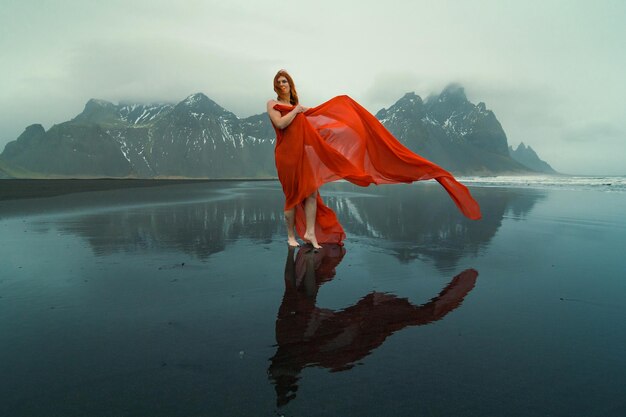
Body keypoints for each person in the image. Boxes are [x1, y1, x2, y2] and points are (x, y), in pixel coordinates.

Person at [267, 69, 481, 249]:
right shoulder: (274, 104)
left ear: (290, 84)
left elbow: (312, 128)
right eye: (279, 82)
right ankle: (291, 236)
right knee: (293, 196)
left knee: (311, 193)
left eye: (285, 80)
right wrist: (297, 110)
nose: (282, 84)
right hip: (286, 156)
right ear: (276, 87)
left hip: (303, 155)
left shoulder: (300, 108)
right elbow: (281, 124)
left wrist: (342, 129)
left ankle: (310, 234)